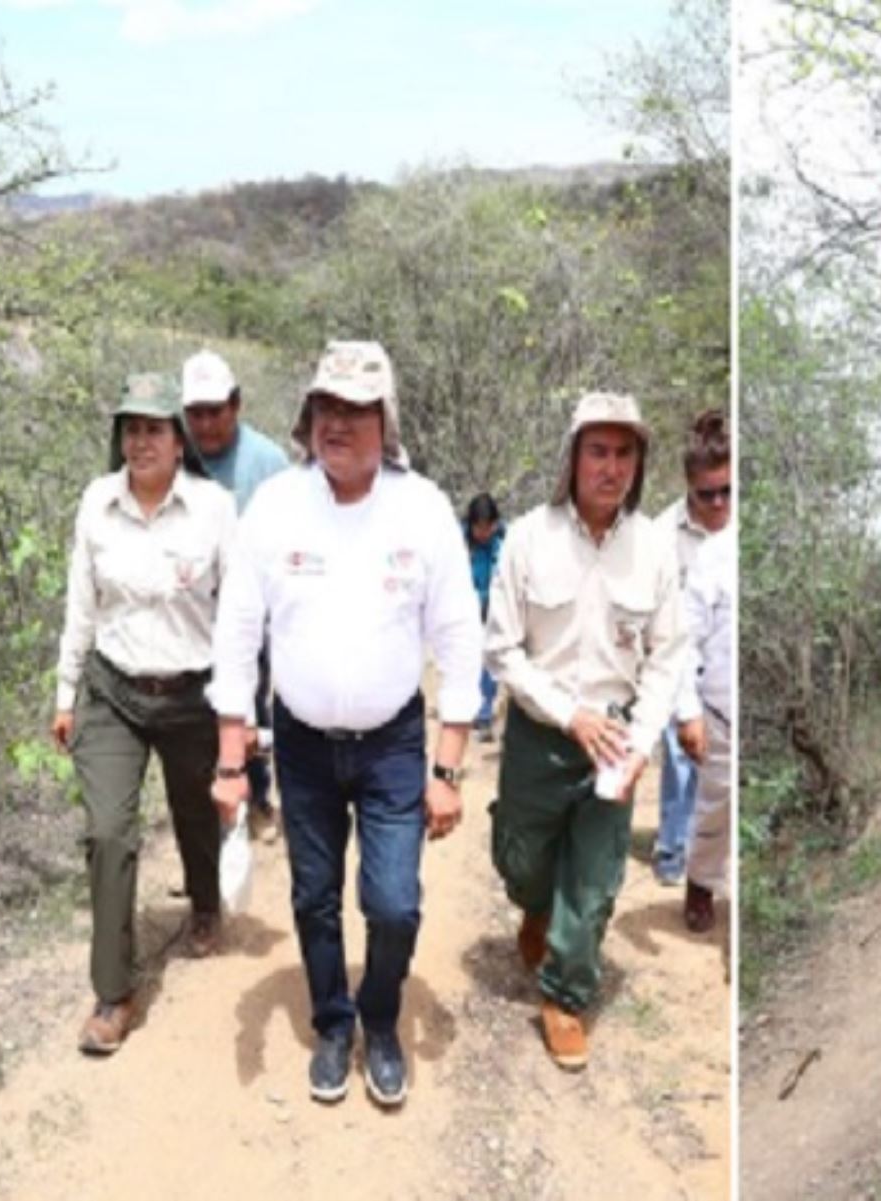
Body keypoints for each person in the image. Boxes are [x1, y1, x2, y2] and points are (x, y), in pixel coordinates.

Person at [208, 340, 481, 1108]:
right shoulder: (276, 507)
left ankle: (381, 1019)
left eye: (358, 410)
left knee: (393, 901)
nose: (340, 423)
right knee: (314, 895)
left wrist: (448, 768)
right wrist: (233, 756)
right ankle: (334, 1022)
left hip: (394, 742)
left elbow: (461, 639)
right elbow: (236, 631)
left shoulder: (421, 508)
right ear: (307, 416)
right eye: (328, 407)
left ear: (384, 421)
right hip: (298, 742)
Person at [485, 391, 688, 1071]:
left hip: (616, 740)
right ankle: (536, 908)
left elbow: (667, 655)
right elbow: (503, 649)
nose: (610, 467)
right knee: (522, 860)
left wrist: (641, 737)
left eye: (624, 452)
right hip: (542, 733)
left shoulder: (654, 549)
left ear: (639, 462)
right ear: (571, 457)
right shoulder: (526, 538)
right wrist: (567, 712)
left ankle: (566, 993)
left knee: (598, 878)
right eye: (597, 451)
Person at [51, 372, 236, 1055]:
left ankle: (207, 903)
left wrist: (238, 715)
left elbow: (239, 614)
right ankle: (113, 991)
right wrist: (65, 693)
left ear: (180, 439)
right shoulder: (97, 503)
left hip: (192, 693)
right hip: (113, 690)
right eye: (131, 427)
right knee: (107, 832)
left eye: (154, 428)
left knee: (195, 810)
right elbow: (80, 605)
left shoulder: (216, 509)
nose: (140, 440)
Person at [179, 350, 290, 842]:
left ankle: (257, 798)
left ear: (236, 405)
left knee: (250, 706)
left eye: (215, 410)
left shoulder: (268, 463)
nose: (205, 424)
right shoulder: (174, 457)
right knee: (192, 718)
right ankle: (204, 821)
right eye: (195, 413)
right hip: (189, 612)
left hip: (251, 612)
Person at [651, 410, 731, 885]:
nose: (719, 502)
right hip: (675, 659)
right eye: (707, 494)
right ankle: (673, 849)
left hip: (721, 671)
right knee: (680, 754)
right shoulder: (663, 535)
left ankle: (705, 860)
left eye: (727, 491)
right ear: (688, 485)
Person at [678, 520, 735, 933]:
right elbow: (683, 639)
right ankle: (700, 884)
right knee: (715, 806)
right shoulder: (713, 554)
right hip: (717, 707)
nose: (718, 504)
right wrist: (688, 710)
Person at [463, 492, 505, 740]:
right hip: (465, 609)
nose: (483, 533)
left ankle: (485, 714)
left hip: (493, 609)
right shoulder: (458, 542)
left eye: (487, 527)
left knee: (489, 662)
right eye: (478, 528)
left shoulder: (505, 542)